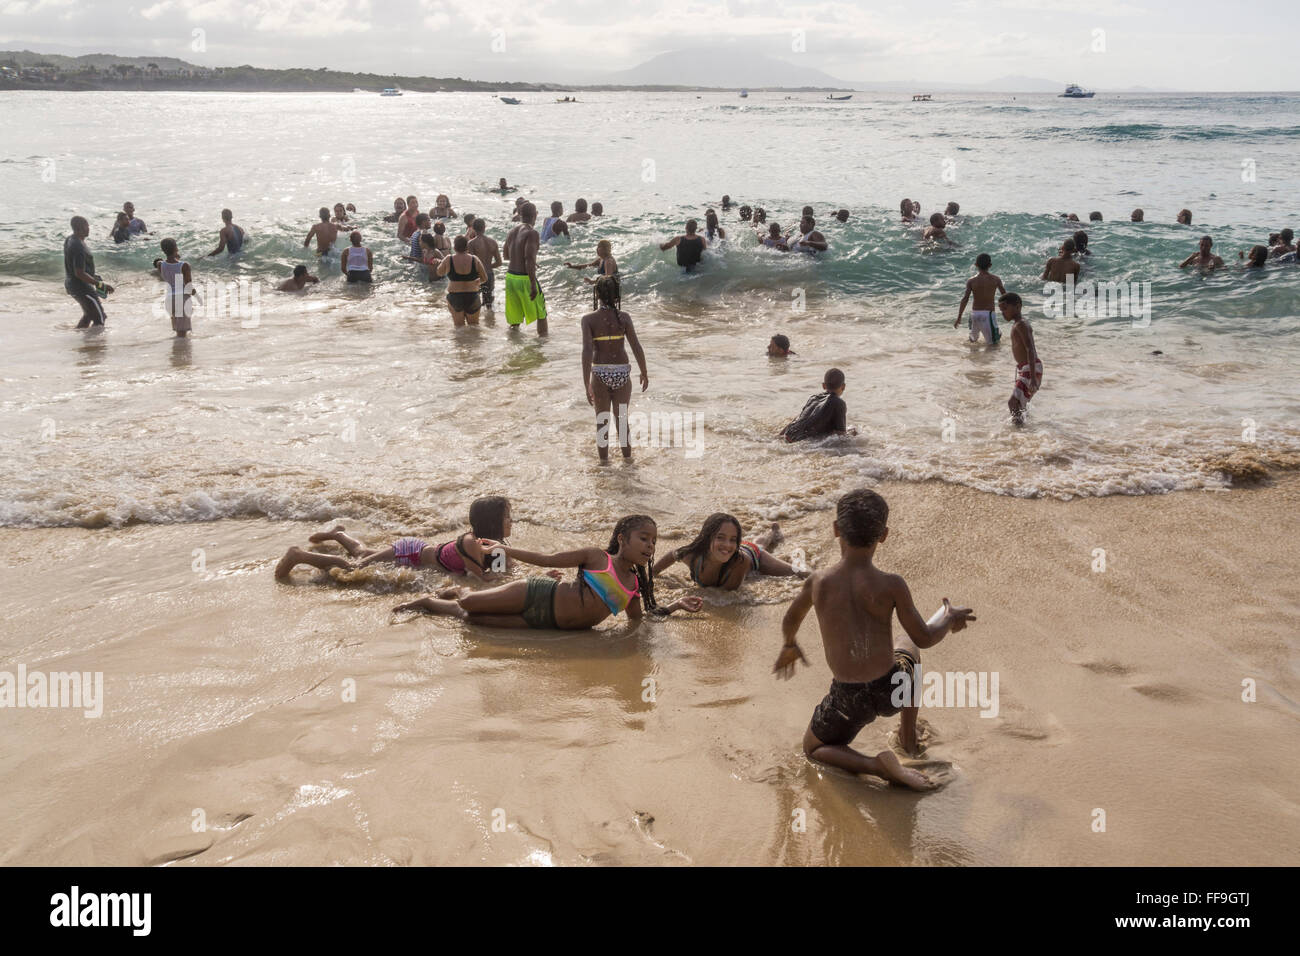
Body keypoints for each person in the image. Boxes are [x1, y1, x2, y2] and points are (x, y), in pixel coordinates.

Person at [772, 488, 975, 789]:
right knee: (909, 647)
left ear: (836, 529)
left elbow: (790, 619)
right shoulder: (891, 585)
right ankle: (907, 738)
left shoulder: (819, 583)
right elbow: (924, 637)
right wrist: (948, 619)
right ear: (884, 535)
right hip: (891, 689)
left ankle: (874, 765)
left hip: (847, 700)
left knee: (813, 749)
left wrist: (790, 645)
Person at [394, 515, 703, 628]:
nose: (650, 546)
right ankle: (459, 590)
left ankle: (428, 602)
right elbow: (546, 559)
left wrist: (674, 606)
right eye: (644, 538)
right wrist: (504, 550)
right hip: (537, 592)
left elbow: (640, 620)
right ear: (622, 539)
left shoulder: (633, 586)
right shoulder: (597, 558)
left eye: (654, 541)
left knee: (475, 621)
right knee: (469, 603)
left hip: (544, 623)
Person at [277, 497, 513, 582]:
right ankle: (298, 555)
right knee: (355, 566)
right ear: (492, 523)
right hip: (410, 551)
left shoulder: (498, 547)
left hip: (420, 553)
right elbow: (481, 578)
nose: (511, 522)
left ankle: (339, 534)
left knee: (364, 553)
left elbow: (501, 573)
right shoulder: (471, 542)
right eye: (507, 518)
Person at [581, 275, 648, 462]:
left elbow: (587, 351)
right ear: (617, 295)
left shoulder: (588, 319)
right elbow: (636, 346)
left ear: (597, 294)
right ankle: (628, 463)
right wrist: (644, 371)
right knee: (622, 422)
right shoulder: (624, 317)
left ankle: (604, 465)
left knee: (602, 422)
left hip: (600, 373)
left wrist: (586, 381)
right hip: (622, 373)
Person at [653, 514, 805, 588]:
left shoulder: (741, 561)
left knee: (799, 572)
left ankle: (773, 534)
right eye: (720, 537)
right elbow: (672, 554)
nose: (727, 544)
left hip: (751, 555)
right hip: (742, 547)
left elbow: (728, 595)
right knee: (758, 543)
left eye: (733, 539)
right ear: (707, 538)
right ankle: (773, 533)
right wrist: (653, 573)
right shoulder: (691, 555)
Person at [502, 201, 547, 335]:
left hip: (510, 277)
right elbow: (529, 258)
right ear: (535, 215)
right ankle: (543, 344)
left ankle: (514, 344)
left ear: (520, 214)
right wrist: (533, 283)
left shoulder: (511, 231)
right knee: (541, 314)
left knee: (514, 318)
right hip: (524, 277)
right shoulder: (532, 233)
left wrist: (523, 260)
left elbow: (506, 255)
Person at [1001, 292, 1042, 425]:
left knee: (1013, 403)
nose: (1003, 313)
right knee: (1019, 404)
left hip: (1031, 368)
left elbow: (1030, 349)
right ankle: (1024, 430)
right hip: (1026, 368)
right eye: (1001, 310)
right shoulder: (1017, 324)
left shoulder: (1021, 324)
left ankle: (1019, 431)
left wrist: (1033, 379)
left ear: (1018, 307)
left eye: (1005, 309)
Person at [64, 216, 112, 328]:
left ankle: (82, 341)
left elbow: (74, 266)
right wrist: (99, 284)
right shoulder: (78, 246)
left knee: (89, 315)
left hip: (73, 284)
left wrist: (94, 276)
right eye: (87, 226)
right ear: (81, 227)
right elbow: (79, 273)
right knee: (100, 318)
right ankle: (96, 344)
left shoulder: (70, 239)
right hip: (81, 287)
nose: (89, 228)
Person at [780, 369, 853, 442]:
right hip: (803, 442)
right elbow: (841, 435)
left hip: (789, 434)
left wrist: (780, 435)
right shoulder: (839, 403)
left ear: (823, 386)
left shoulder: (813, 398)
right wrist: (851, 435)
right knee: (853, 431)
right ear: (843, 387)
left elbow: (798, 418)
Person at [435, 235, 487, 327]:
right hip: (472, 296)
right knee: (474, 328)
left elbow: (439, 273)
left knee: (459, 328)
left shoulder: (448, 259)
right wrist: (478, 282)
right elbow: (484, 278)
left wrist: (441, 263)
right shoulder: (474, 259)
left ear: (454, 247)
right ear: (467, 247)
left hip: (455, 297)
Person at [955, 252, 1006, 344]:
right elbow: (1005, 297)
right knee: (993, 344)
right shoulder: (996, 279)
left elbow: (965, 299)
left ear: (975, 265)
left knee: (972, 341)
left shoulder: (971, 281)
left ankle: (973, 357)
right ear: (990, 265)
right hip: (988, 314)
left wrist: (959, 317)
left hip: (974, 314)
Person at [157, 237, 193, 338]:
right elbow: (188, 287)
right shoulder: (185, 265)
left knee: (177, 330)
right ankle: (180, 352)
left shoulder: (160, 265)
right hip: (181, 298)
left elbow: (169, 271)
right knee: (182, 333)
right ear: (176, 248)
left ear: (163, 250)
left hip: (169, 299)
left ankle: (176, 351)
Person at [466, 218, 502, 312]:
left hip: (477, 276)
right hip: (489, 275)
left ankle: (477, 323)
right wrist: (489, 266)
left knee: (475, 301)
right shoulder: (493, 242)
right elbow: (499, 262)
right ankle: (490, 322)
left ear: (473, 228)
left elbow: (472, 262)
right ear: (484, 228)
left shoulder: (471, 243)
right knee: (489, 303)